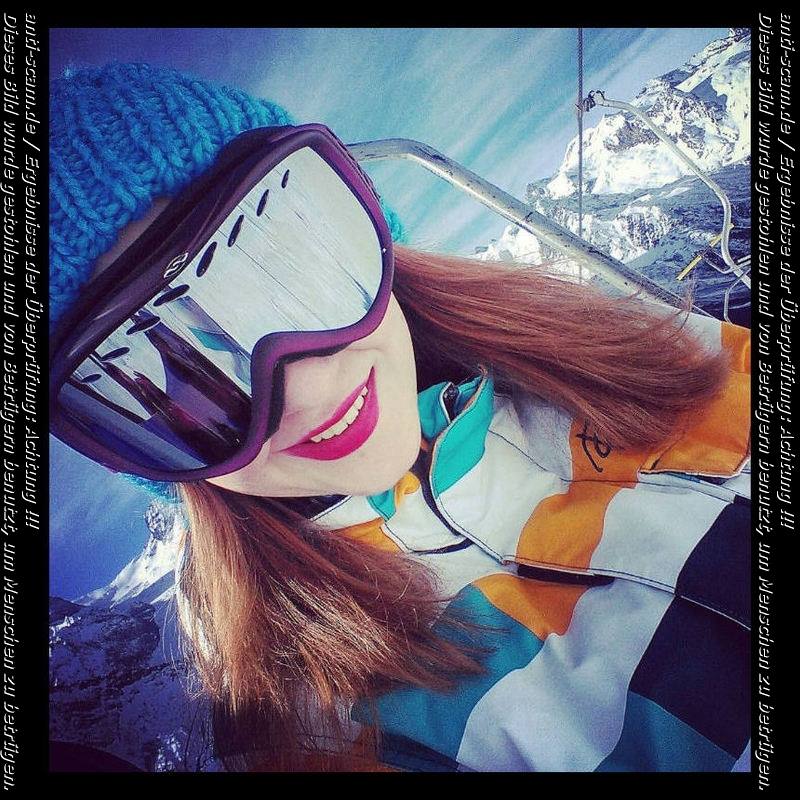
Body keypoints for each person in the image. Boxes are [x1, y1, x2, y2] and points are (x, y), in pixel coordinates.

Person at [50, 62, 751, 773]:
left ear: (361, 230)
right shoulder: (321, 728)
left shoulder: (612, 348)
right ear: (139, 451)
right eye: (175, 385)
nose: (305, 390)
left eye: (289, 271)